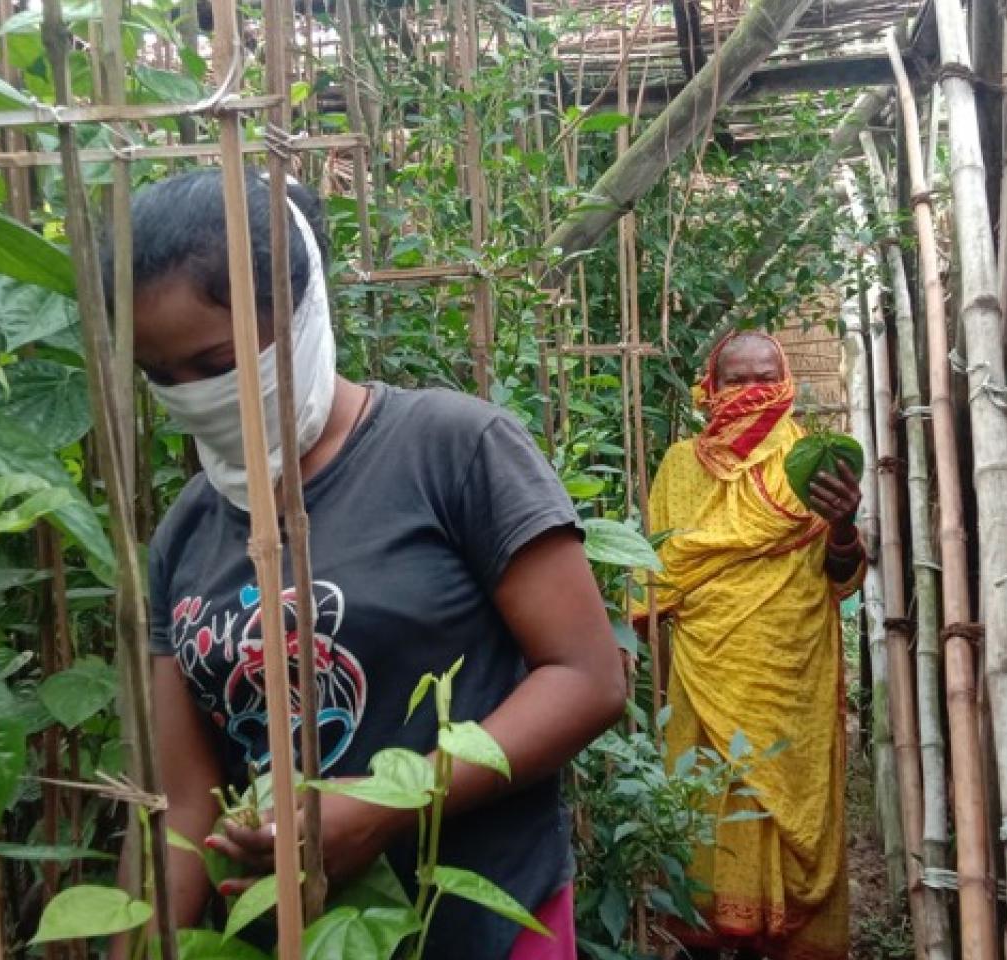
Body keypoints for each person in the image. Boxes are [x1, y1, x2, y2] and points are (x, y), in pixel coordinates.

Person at [116, 167, 626, 959]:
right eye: (162, 377)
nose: (193, 396)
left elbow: (587, 679)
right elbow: (183, 804)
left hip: (480, 930)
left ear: (303, 313)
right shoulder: (186, 532)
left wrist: (396, 805)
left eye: (218, 365)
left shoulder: (454, 451)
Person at [639, 331, 864, 960]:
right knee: (712, 798)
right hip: (706, 668)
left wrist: (844, 525)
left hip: (793, 671)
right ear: (711, 388)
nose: (753, 392)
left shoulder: (815, 462)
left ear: (788, 382)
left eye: (767, 378)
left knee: (788, 797)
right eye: (737, 380)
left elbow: (843, 580)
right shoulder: (680, 466)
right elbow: (656, 572)